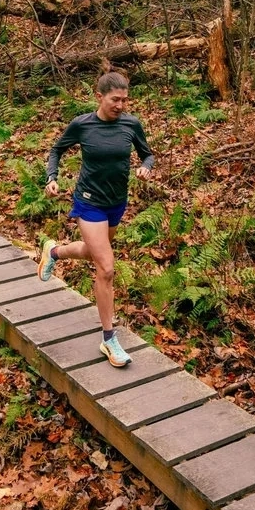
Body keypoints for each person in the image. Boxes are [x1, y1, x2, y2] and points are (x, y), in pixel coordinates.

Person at [37, 60, 154, 367]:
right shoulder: (82, 124)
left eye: (124, 100)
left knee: (93, 251)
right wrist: (51, 177)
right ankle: (109, 340)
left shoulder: (131, 124)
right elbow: (56, 150)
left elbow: (148, 153)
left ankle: (55, 252)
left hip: (117, 201)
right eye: (115, 99)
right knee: (106, 267)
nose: (120, 105)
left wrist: (146, 167)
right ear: (98, 96)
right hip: (88, 201)